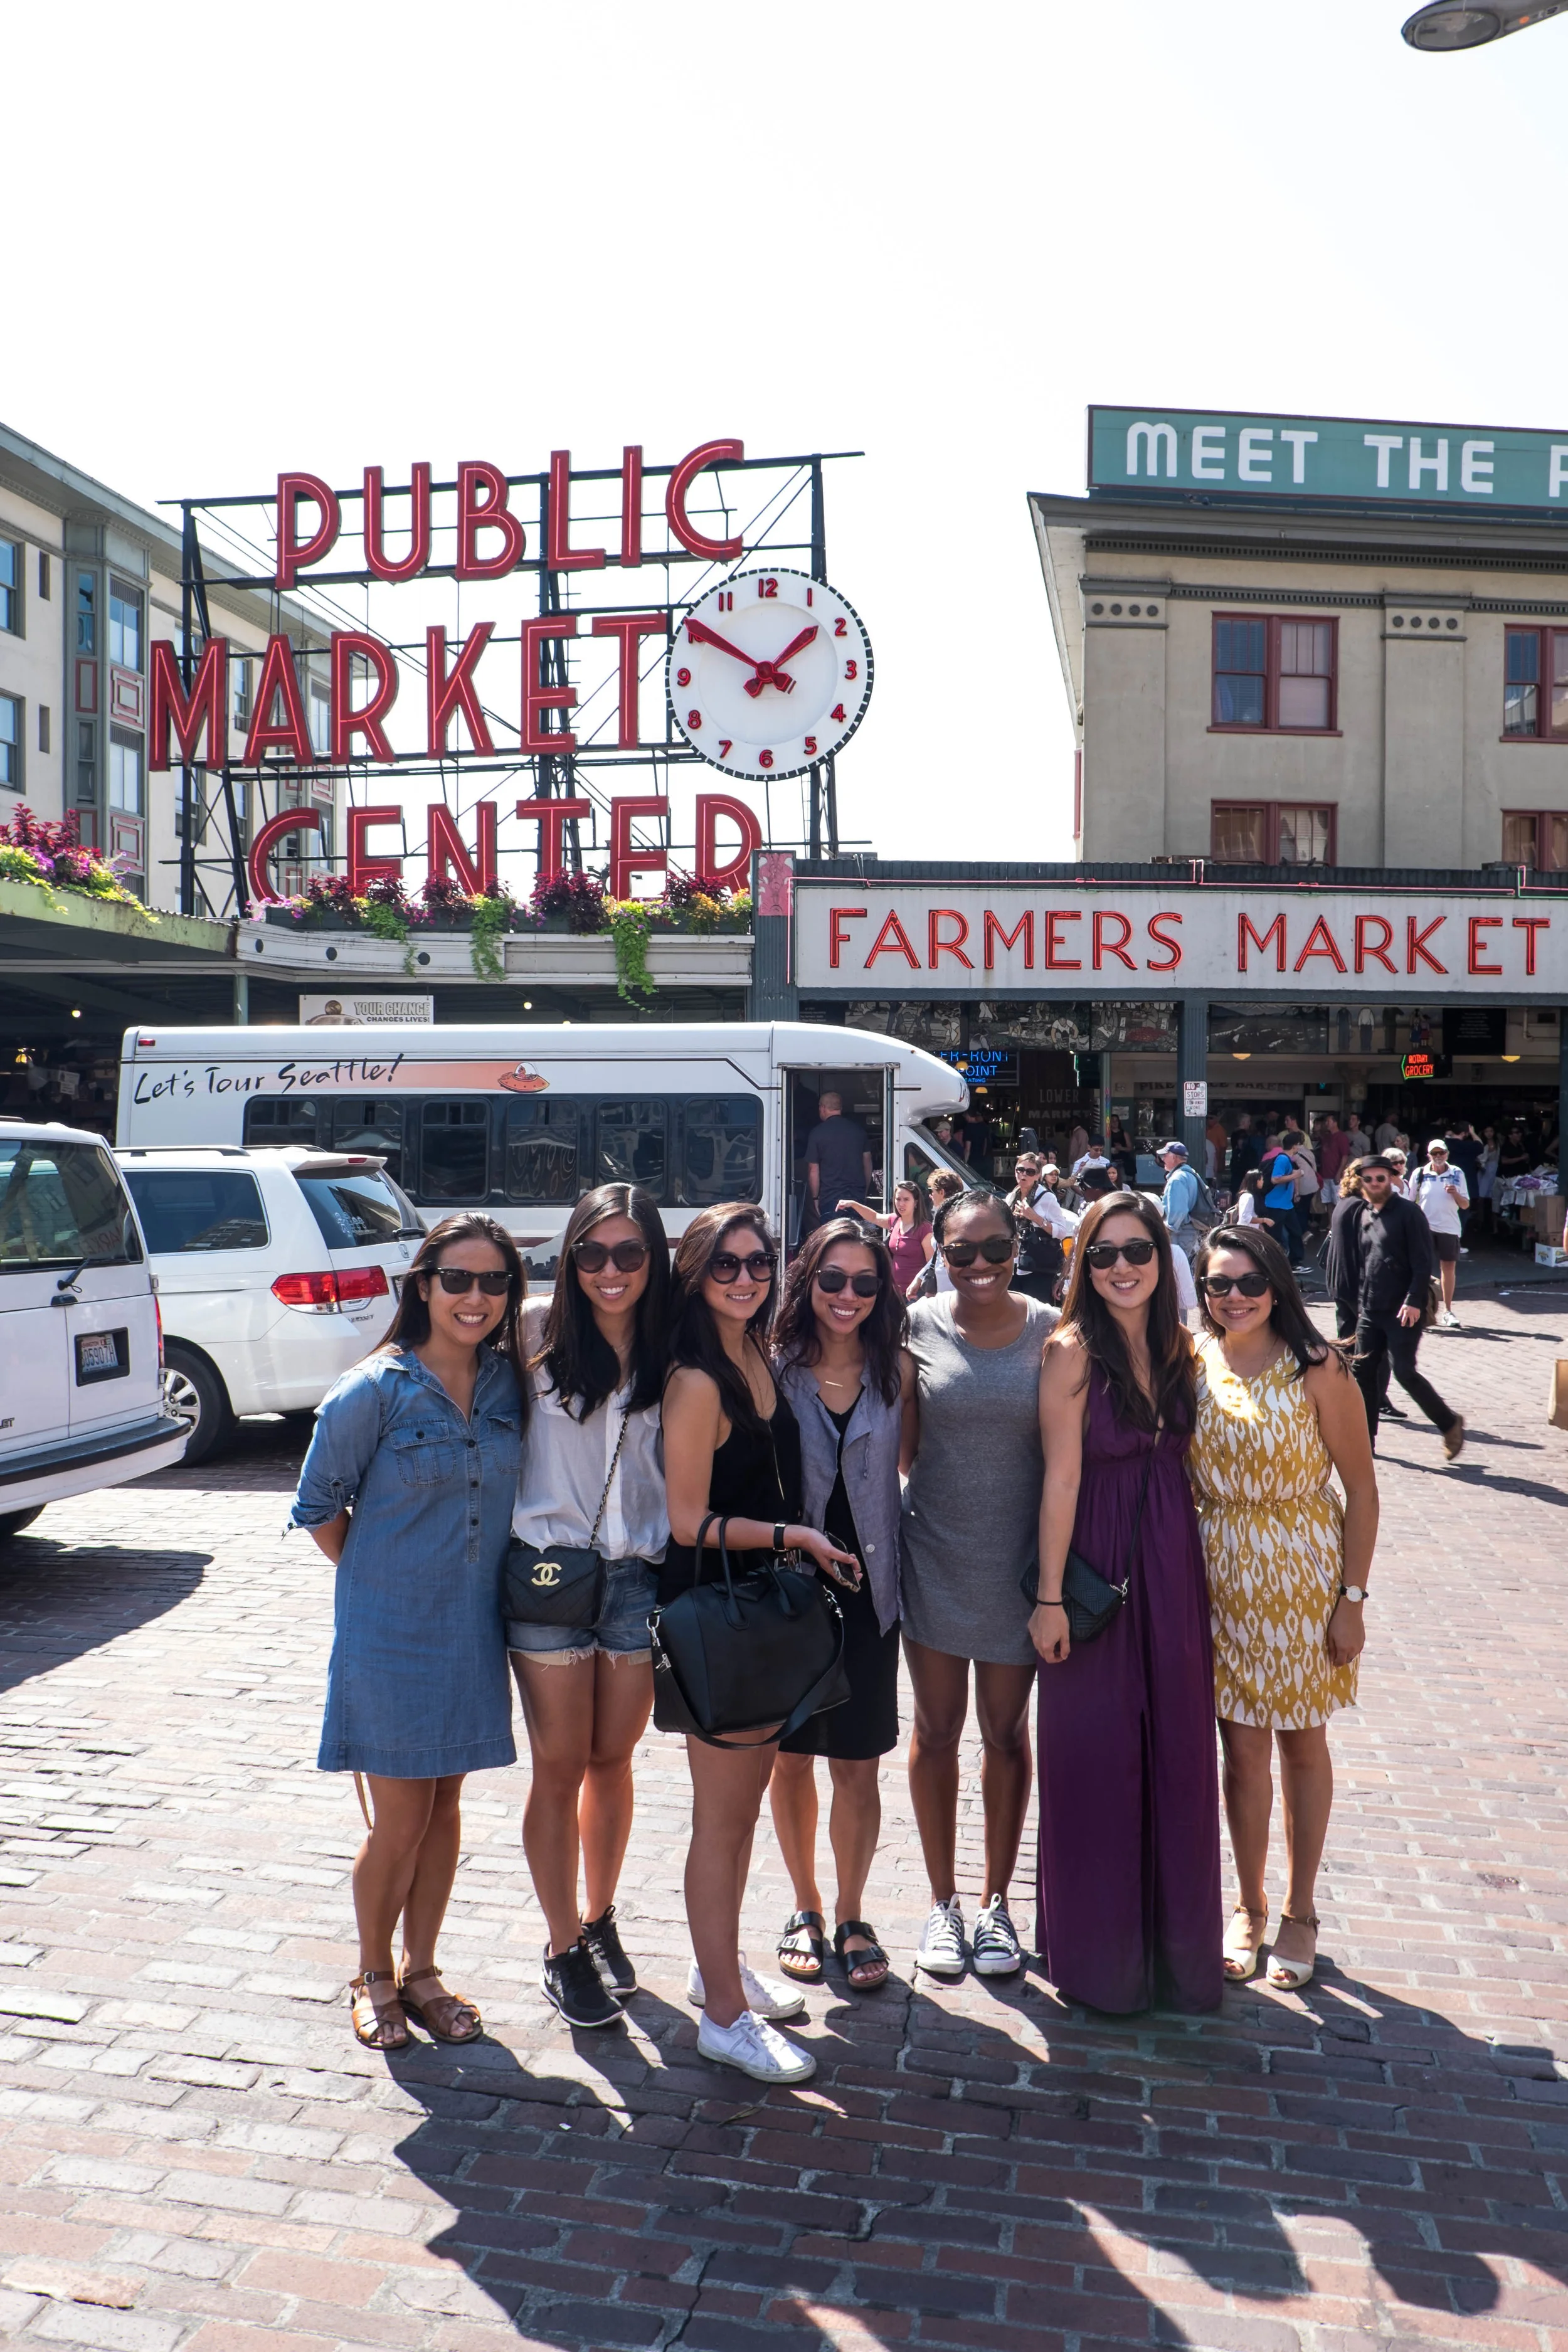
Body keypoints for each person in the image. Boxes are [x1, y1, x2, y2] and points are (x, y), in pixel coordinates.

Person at [290, 1214, 528, 2052]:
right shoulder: (373, 1390)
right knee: (399, 1818)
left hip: (474, 1627)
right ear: (422, 1284)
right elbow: (318, 1507)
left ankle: (424, 1969)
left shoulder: (509, 1385)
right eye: (457, 1279)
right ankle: (373, 1972)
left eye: (493, 1281)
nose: (475, 1296)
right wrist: (380, 1580)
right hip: (389, 1632)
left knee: (447, 1803)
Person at [660, 1205, 859, 2085]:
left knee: (738, 1816)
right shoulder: (699, 1378)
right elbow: (684, 1519)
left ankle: (721, 1967)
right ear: (696, 1271)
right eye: (726, 1265)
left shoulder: (752, 1352)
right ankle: (722, 2019)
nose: (746, 1277)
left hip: (754, 1610)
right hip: (718, 1613)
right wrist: (791, 1538)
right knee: (723, 1818)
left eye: (757, 1262)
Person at [1032, 1189, 1221, 2014]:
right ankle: (1100, 1959)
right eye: (1102, 1253)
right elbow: (1061, 1477)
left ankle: (1178, 1960)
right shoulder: (1072, 1348)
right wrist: (1047, 1597)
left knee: (1179, 1747)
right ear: (1084, 1264)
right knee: (1096, 1752)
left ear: (1162, 1258)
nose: (1119, 1267)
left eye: (1135, 1250)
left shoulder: (1185, 1347)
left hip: (1171, 1556)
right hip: (1095, 1555)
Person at [1189, 1226, 1379, 1992]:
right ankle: (1249, 1904)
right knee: (1240, 1753)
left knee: (1302, 1745)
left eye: (1247, 1281)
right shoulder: (1193, 1360)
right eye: (1216, 1285)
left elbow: (1361, 1489)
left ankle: (1300, 1910)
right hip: (1216, 1576)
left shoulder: (1317, 1366)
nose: (1232, 1297)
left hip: (1301, 1574)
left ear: (1276, 1283)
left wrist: (1352, 1600)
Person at [508, 1184, 670, 2032]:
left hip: (637, 1574)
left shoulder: (670, 1343)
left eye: (630, 1253)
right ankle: (560, 1942)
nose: (611, 1271)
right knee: (559, 1763)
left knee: (613, 1758)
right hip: (548, 1575)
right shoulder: (531, 1330)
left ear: (654, 1258)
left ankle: (599, 1915)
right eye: (593, 1254)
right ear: (570, 1258)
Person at [901, 1186, 1056, 1981]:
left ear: (1016, 1248)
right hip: (934, 1556)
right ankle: (941, 1903)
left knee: (1004, 1735)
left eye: (995, 1248)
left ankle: (996, 1906)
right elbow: (902, 1447)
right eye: (962, 1251)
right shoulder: (916, 1324)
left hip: (1018, 1568)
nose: (980, 1265)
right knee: (934, 1732)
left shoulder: (1051, 1331)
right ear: (939, 1250)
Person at [769, 1220, 911, 1994]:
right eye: (832, 1279)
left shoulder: (897, 1371)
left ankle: (854, 1914)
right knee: (790, 1761)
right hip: (789, 1595)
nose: (847, 1296)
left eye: (864, 1282)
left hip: (869, 1595)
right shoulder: (771, 1367)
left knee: (858, 1766)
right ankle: (805, 1906)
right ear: (807, 1281)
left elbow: (917, 1468)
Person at [1344, 1157, 1464, 1459]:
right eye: (1368, 1179)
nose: (1374, 1184)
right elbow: (1366, 1264)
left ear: (1392, 1179)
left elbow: (1423, 1262)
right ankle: (1365, 1442)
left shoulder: (1410, 1214)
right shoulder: (1365, 1214)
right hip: (1371, 1310)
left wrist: (1413, 1300)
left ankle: (1450, 1423)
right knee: (1363, 1374)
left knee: (1405, 1372)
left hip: (1403, 1310)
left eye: (1380, 1179)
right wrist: (1360, 1305)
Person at [841, 1179, 933, 1299]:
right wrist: (853, 1204)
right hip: (893, 1292)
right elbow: (874, 1217)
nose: (901, 1204)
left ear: (916, 1202)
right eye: (898, 1199)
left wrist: (920, 1285)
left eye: (906, 1200)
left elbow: (931, 1263)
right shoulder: (894, 1220)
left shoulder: (924, 1228)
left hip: (915, 1295)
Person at [1412, 1138, 1469, 1327]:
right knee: (1421, 1268)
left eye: (1441, 1153)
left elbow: (1465, 1204)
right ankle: (1421, 1308)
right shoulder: (1419, 1174)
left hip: (1449, 1227)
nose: (1438, 1157)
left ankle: (1448, 1310)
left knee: (1448, 1269)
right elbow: (1410, 1201)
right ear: (1429, 1155)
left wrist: (1455, 1193)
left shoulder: (1457, 1173)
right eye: (1434, 1154)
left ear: (1447, 1154)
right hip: (1424, 1228)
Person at [1009, 1150, 1078, 1302]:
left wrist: (1035, 1217)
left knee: (1035, 1313)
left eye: (1030, 1172)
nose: (1023, 1175)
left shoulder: (1047, 1197)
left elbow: (1061, 1231)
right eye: (1020, 1170)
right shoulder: (1012, 1197)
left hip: (1038, 1267)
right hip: (1015, 1265)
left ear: (1038, 1175)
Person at [804, 1091, 874, 1222]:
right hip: (856, 1198)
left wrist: (815, 1198)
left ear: (823, 1108)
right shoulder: (858, 1131)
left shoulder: (817, 1134)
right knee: (854, 1237)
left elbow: (813, 1169)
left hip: (830, 1199)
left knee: (833, 1239)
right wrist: (864, 1191)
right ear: (840, 1108)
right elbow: (867, 1163)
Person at [909, 1168, 965, 1296]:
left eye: (932, 1191)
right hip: (942, 1282)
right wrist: (919, 1278)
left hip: (951, 1285)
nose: (930, 1195)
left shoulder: (953, 1218)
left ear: (942, 1192)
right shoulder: (944, 1215)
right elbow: (937, 1256)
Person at [1157, 1138, 1204, 1261]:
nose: (1162, 1159)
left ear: (1174, 1157)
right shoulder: (1191, 1173)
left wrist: (1167, 1230)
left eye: (1165, 1155)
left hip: (1179, 1233)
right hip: (1189, 1231)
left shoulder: (1177, 1179)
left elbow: (1179, 1211)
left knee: (1176, 1269)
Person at [1262, 1133, 1303, 1265]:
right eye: (1299, 1144)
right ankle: (1273, 1263)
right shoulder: (1283, 1160)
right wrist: (1296, 1175)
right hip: (1275, 1204)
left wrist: (1296, 1192)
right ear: (1295, 1146)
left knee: (1295, 1232)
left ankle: (1295, 1262)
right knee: (1274, 1236)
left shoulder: (1288, 1159)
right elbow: (1276, 1179)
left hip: (1286, 1204)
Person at [1316, 1112, 1351, 1210]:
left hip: (1335, 1174)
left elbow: (1345, 1156)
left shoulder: (1342, 1137)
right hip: (1324, 1174)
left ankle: (1337, 1223)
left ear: (1335, 1123)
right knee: (1327, 1202)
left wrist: (1339, 1173)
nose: (1326, 1123)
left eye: (1328, 1121)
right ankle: (1330, 1224)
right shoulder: (1326, 1137)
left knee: (1337, 1201)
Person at [1476, 1125, 1500, 1234]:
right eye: (1487, 1131)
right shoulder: (1482, 1144)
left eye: (1491, 1131)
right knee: (1481, 1196)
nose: (1489, 1133)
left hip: (1494, 1169)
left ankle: (1491, 1223)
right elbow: (1481, 1159)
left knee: (1493, 1196)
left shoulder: (1498, 1142)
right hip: (1485, 1170)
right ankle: (1480, 1222)